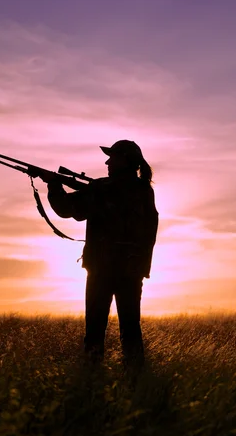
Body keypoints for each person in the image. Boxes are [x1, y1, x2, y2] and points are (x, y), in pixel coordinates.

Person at [46, 140, 159, 366]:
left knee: (95, 332)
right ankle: (135, 380)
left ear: (125, 160)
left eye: (113, 157)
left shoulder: (102, 188)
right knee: (131, 331)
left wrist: (54, 186)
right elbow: (150, 231)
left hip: (101, 270)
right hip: (131, 270)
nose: (108, 161)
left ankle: (92, 379)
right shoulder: (144, 190)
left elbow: (68, 209)